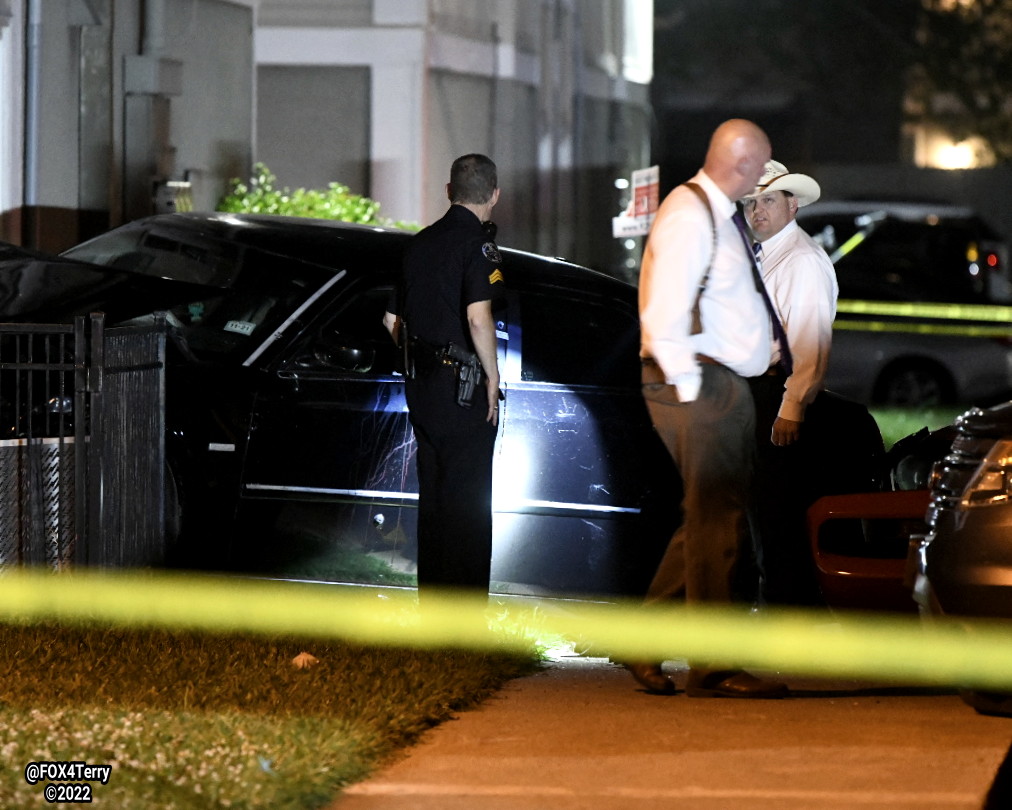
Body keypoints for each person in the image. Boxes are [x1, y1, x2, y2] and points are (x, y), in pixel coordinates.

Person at [632, 119, 789, 698]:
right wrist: (696, 391)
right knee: (718, 522)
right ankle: (715, 665)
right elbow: (663, 314)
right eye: (765, 165)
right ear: (744, 164)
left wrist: (756, 348)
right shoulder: (691, 214)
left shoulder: (710, 213)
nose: (765, 177)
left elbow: (714, 307)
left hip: (715, 383)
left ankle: (643, 642)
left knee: (708, 518)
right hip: (701, 389)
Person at [382, 154, 504, 601]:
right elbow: (478, 319)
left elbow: (390, 319)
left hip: (424, 389)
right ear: (494, 194)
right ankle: (466, 616)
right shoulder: (479, 247)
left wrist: (422, 360)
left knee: (432, 498)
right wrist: (491, 377)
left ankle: (433, 608)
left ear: (449, 192)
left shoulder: (419, 244)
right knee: (468, 501)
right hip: (464, 390)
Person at [743, 161, 839, 606]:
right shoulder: (768, 254)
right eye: (750, 203)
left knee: (777, 516)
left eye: (767, 200)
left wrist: (792, 406)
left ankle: (789, 617)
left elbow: (810, 342)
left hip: (775, 395)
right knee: (763, 515)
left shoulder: (801, 259)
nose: (756, 211)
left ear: (792, 204)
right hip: (756, 394)